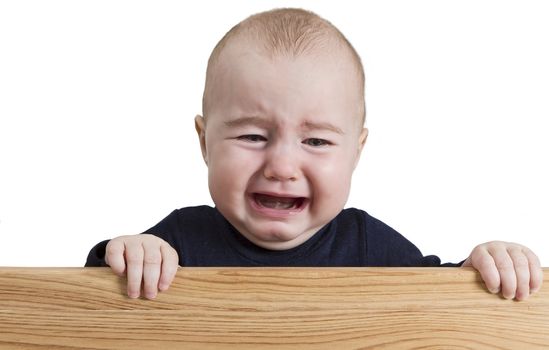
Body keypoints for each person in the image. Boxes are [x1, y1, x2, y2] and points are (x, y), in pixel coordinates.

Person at [85, 8, 543, 301]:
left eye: (317, 141)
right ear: (204, 143)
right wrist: (127, 254)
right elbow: (88, 300)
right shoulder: (181, 240)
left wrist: (481, 266)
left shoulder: (366, 244)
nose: (282, 167)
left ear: (356, 153)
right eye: (251, 137)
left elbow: (437, 300)